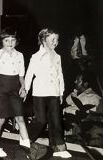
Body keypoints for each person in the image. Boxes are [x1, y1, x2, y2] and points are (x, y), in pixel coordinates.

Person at [24, 28, 72, 158]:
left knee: (56, 120)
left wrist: (61, 92)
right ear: (43, 40)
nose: (55, 42)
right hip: (40, 92)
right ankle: (25, 140)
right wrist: (25, 89)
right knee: (40, 120)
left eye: (57, 39)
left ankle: (59, 147)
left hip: (54, 92)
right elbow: (29, 74)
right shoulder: (36, 56)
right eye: (52, 39)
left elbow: (59, 74)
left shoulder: (57, 56)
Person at [0, 28, 30, 157]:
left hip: (15, 90)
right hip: (2, 89)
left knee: (20, 118)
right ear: (1, 42)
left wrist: (23, 87)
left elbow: (21, 74)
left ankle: (26, 147)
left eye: (13, 40)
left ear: (16, 41)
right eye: (6, 40)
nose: (10, 43)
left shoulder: (19, 55)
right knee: (1, 120)